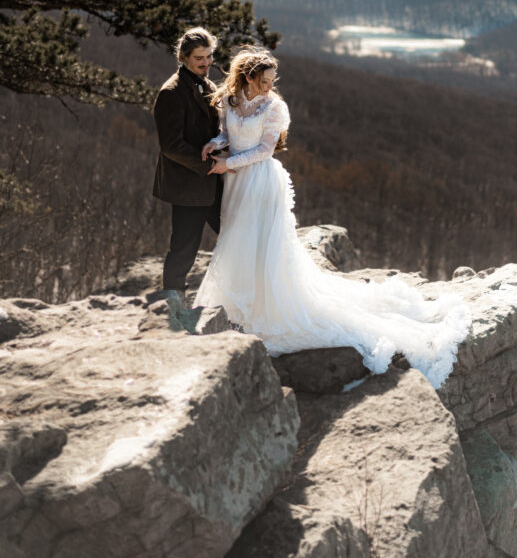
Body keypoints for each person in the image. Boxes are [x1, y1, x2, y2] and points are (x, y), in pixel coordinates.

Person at [193, 47, 471, 389]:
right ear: (247, 77)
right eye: (263, 81)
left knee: (262, 244)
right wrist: (215, 142)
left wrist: (227, 163)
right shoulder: (231, 101)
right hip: (236, 183)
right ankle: (239, 303)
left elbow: (265, 149)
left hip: (260, 181)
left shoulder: (275, 107)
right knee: (237, 241)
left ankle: (262, 306)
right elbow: (232, 134)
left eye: (272, 81)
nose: (269, 87)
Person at [153, 27, 232, 299]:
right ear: (184, 57)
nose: (206, 63)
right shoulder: (171, 93)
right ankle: (172, 307)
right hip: (188, 186)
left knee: (235, 235)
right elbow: (171, 146)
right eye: (199, 58)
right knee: (184, 249)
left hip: (214, 183)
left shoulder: (208, 85)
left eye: (209, 56)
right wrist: (209, 164)